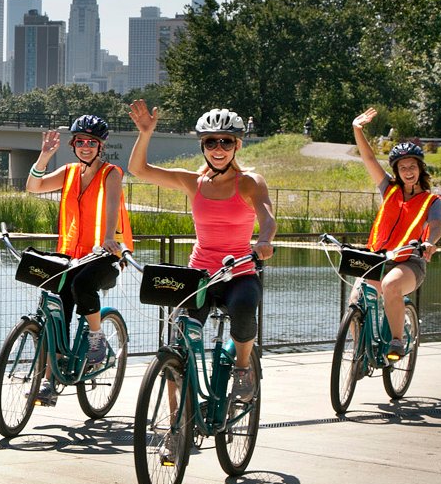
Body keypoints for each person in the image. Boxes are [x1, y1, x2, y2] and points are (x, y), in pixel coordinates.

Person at [128, 101, 276, 409]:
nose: (218, 148)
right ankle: (174, 428)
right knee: (177, 346)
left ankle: (242, 367)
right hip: (200, 276)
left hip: (240, 273)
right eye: (211, 142)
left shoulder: (249, 181)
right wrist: (145, 133)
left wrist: (264, 239)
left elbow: (267, 216)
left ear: (237, 145)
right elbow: (139, 170)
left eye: (226, 141)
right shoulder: (193, 182)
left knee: (245, 309)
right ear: (202, 145)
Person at [25, 114, 133, 405]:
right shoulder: (69, 171)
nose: (86, 147)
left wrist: (110, 238)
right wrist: (45, 156)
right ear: (74, 144)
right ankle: (49, 382)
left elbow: (112, 205)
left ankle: (97, 340)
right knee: (56, 309)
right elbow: (33, 187)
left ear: (101, 146)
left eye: (92, 142)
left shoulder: (111, 173)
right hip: (71, 254)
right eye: (81, 142)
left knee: (83, 285)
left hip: (104, 255)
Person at [351, 108, 441, 360]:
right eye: (402, 167)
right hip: (378, 257)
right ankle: (360, 351)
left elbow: (435, 225)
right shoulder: (388, 190)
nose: (407, 171)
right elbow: (369, 159)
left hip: (410, 261)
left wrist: (428, 243)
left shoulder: (431, 200)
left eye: (412, 166)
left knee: (391, 285)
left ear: (420, 168)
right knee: (355, 298)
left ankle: (396, 341)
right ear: (397, 171)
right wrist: (357, 128)